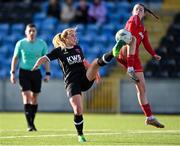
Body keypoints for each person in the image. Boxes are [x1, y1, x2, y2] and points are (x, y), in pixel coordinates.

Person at [31, 27, 128, 142]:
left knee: (95, 62)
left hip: (84, 78)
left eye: (75, 35)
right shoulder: (59, 51)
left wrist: (94, 72)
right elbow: (45, 58)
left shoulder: (78, 48)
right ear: (65, 38)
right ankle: (80, 135)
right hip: (72, 83)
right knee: (78, 110)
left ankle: (113, 52)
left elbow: (84, 62)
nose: (75, 37)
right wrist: (36, 65)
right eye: (72, 35)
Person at [115, 3, 165, 128]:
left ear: (144, 13)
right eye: (136, 9)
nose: (138, 11)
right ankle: (128, 65)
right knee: (132, 40)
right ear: (132, 12)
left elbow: (147, 44)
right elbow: (131, 36)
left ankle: (149, 117)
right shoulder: (133, 19)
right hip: (125, 52)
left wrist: (154, 54)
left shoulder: (143, 29)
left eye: (141, 10)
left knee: (142, 88)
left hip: (134, 57)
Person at [10, 23, 50, 131]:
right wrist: (12, 73)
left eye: (33, 31)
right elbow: (15, 58)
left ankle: (32, 122)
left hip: (36, 73)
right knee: (26, 96)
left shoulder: (42, 43)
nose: (31, 33)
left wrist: (47, 73)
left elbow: (45, 60)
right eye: (29, 31)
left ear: (36, 32)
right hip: (24, 73)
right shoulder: (21, 43)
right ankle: (30, 125)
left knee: (34, 98)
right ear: (26, 32)